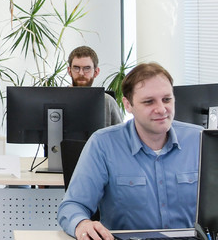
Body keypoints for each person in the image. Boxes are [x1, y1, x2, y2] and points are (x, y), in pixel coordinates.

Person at [57, 62, 202, 240]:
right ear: (128, 104)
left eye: (167, 99)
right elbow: (72, 205)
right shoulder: (103, 144)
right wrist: (82, 224)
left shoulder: (201, 140)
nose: (161, 109)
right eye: (149, 102)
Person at [67, 46, 123, 126]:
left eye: (87, 68)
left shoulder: (107, 101)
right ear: (69, 71)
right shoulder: (56, 100)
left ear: (96, 72)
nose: (81, 73)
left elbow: (120, 134)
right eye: (76, 68)